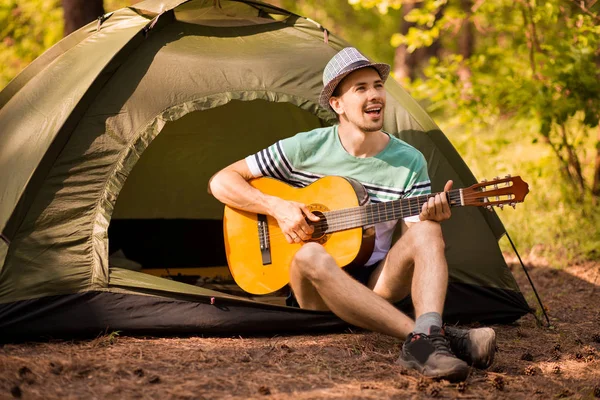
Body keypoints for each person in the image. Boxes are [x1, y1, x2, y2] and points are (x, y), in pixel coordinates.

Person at [208, 47, 496, 382]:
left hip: (377, 284)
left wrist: (431, 216)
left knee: (428, 231)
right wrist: (279, 207)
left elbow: (418, 235)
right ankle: (430, 341)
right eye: (360, 88)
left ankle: (428, 332)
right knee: (312, 253)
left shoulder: (409, 161)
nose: (375, 95)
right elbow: (221, 181)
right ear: (337, 104)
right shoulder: (305, 148)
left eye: (377, 85)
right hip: (315, 289)